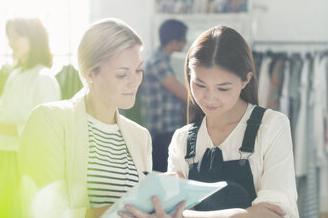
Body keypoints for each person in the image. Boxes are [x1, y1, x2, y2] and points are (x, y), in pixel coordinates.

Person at [19, 18, 156, 218]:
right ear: (90, 73)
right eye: (122, 74)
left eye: (138, 70)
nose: (135, 81)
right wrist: (122, 210)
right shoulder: (49, 121)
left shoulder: (140, 136)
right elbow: (43, 212)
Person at [165, 25, 299, 217]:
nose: (210, 98)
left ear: (246, 80)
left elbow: (275, 212)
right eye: (200, 85)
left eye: (223, 88)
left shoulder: (272, 126)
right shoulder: (182, 139)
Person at [0, 17, 61, 217]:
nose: (11, 42)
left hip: (31, 165)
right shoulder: (14, 75)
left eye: (16, 36)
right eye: (9, 37)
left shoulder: (44, 78)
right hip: (8, 161)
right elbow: (1, 116)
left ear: (34, 38)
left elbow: (44, 132)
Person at [140, 19, 188, 172]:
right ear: (174, 41)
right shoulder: (158, 62)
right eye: (184, 38)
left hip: (165, 131)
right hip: (162, 133)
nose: (186, 42)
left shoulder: (162, 60)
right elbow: (185, 95)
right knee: (165, 178)